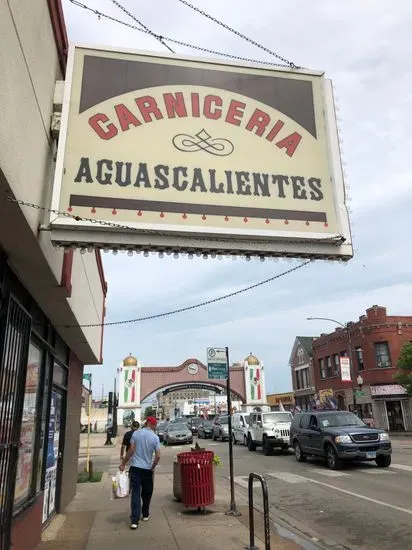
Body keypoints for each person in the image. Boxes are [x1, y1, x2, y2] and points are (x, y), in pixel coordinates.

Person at [120, 416, 160, 530]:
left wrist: (123, 463)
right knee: (147, 492)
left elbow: (131, 450)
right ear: (153, 425)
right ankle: (145, 513)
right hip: (147, 469)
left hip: (135, 468)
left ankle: (134, 521)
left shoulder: (136, 434)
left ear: (146, 423)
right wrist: (152, 467)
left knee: (136, 493)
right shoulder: (155, 437)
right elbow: (158, 456)